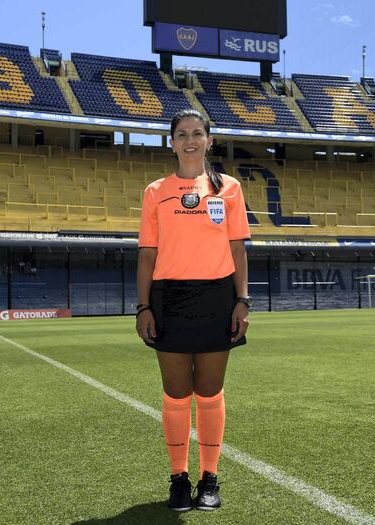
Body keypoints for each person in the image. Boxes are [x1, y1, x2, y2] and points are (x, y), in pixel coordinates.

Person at [135, 109, 251, 512]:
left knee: (209, 392)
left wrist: (242, 300)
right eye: (181, 134)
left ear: (209, 140)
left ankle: (210, 478)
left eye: (197, 133)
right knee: (176, 393)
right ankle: (179, 479)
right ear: (171, 142)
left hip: (218, 298)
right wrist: (144, 306)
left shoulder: (229, 188)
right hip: (169, 299)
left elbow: (237, 249)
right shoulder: (155, 191)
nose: (189, 140)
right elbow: (147, 255)